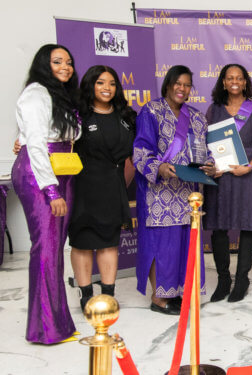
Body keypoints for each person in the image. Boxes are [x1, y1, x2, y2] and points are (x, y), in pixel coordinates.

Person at [133, 65, 215, 314]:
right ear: (168, 84)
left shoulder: (198, 117)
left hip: (188, 193)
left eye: (187, 84)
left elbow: (204, 151)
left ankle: (180, 292)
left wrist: (210, 164)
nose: (182, 88)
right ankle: (159, 298)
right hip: (159, 191)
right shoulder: (151, 111)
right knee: (162, 244)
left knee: (184, 243)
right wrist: (159, 167)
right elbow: (141, 149)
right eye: (177, 83)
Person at [12, 44, 80, 344]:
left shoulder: (57, 95)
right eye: (57, 62)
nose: (65, 66)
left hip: (62, 171)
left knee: (53, 247)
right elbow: (37, 144)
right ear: (44, 64)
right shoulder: (37, 93)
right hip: (42, 177)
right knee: (47, 248)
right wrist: (52, 191)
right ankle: (45, 329)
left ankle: (57, 322)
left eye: (68, 61)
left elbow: (38, 132)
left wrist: (20, 137)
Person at [68, 65, 136, 310]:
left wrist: (120, 184)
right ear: (90, 85)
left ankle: (108, 295)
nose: (107, 88)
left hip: (113, 188)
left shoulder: (127, 116)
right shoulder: (77, 115)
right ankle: (86, 295)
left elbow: (135, 155)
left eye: (112, 83)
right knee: (83, 241)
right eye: (100, 83)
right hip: (83, 187)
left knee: (109, 242)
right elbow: (52, 140)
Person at [204, 64, 252, 303]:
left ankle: (242, 279)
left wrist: (250, 166)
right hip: (221, 178)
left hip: (246, 174)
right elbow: (206, 143)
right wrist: (213, 166)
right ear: (223, 82)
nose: (234, 81)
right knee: (219, 228)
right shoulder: (214, 110)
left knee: (247, 227)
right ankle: (223, 280)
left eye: (239, 78)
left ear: (245, 82)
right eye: (229, 78)